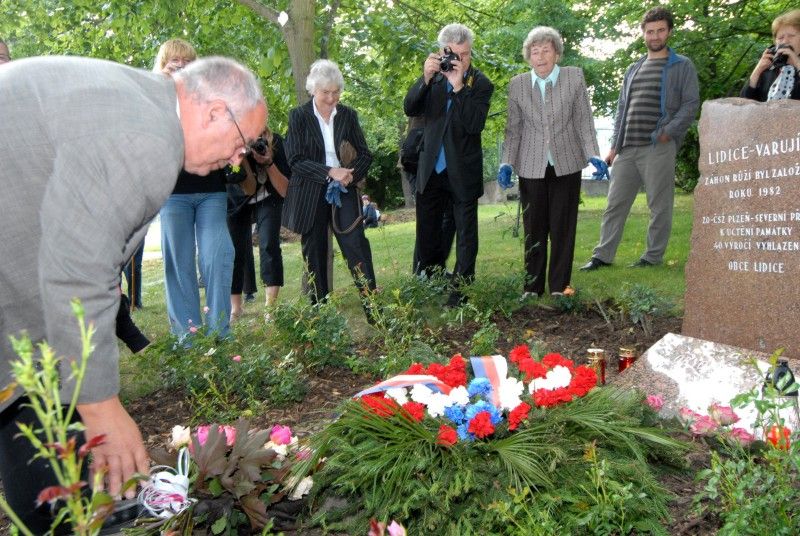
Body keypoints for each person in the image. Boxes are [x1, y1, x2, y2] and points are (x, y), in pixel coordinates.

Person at [0, 55, 266, 533]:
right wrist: (101, 408)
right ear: (215, 112)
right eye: (241, 143)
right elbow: (77, 274)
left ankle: (64, 517)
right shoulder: (148, 137)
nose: (236, 159)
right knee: (54, 412)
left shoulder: (141, 103)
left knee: (36, 415)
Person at [580, 6, 699, 271]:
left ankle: (652, 257)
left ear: (669, 32)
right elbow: (622, 109)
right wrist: (614, 147)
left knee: (659, 205)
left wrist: (668, 132)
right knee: (614, 205)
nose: (655, 36)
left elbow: (691, 104)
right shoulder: (633, 68)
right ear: (643, 34)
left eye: (660, 30)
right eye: (650, 31)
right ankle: (602, 256)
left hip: (658, 146)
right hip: (627, 148)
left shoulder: (682, 65)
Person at [498, 26, 600, 297]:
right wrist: (506, 162)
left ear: (556, 53)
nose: (540, 56)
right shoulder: (518, 84)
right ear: (528, 56)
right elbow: (513, 129)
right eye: (535, 52)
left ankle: (559, 286)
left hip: (566, 162)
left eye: (546, 50)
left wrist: (593, 153)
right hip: (531, 164)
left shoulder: (573, 77)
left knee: (563, 226)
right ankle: (532, 287)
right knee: (534, 227)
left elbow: (583, 120)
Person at [403, 23, 494, 306]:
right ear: (442, 52)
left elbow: (474, 124)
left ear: (470, 53)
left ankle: (461, 291)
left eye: (464, 54)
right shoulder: (435, 78)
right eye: (452, 54)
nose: (458, 60)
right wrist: (425, 77)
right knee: (427, 232)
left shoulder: (481, 83)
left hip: (462, 171)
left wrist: (459, 87)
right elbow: (410, 107)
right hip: (431, 169)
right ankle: (431, 281)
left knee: (465, 235)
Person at [154, 39, 236, 340]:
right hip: (173, 193)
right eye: (174, 61)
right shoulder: (153, 100)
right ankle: (187, 338)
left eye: (187, 61)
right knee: (179, 264)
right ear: (163, 66)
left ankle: (219, 334)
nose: (181, 66)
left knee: (218, 255)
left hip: (211, 190)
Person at [283, 59, 377, 313]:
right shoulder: (298, 117)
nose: (332, 98)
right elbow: (295, 160)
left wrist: (349, 175)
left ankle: (374, 309)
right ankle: (320, 315)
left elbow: (365, 155)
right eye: (326, 92)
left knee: (356, 246)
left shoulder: (348, 115)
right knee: (315, 253)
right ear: (313, 90)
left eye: (336, 92)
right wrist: (329, 172)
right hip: (311, 192)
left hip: (343, 190)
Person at [228, 126, 290, 319]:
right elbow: (231, 176)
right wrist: (240, 158)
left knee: (269, 245)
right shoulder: (230, 143)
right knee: (234, 250)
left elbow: (285, 189)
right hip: (237, 200)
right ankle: (235, 307)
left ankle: (270, 307)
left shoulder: (276, 142)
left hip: (269, 198)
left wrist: (268, 161)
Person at [741, 9, 800, 102]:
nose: (785, 41)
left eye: (791, 36)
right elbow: (744, 101)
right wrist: (757, 71)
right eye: (780, 38)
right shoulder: (769, 69)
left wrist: (797, 63)